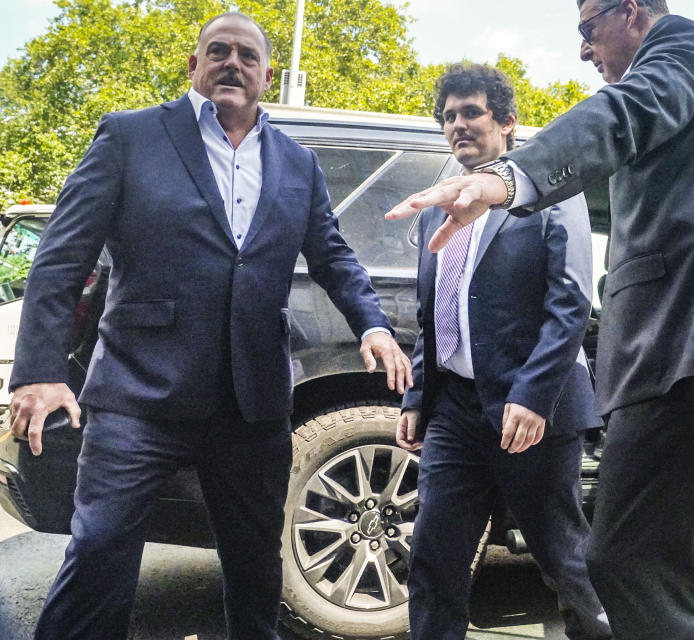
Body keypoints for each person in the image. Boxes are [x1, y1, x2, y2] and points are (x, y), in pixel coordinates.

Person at [8, 12, 411, 640]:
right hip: (137, 397)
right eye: (217, 51)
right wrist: (37, 371)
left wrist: (373, 325)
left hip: (250, 406)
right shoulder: (130, 136)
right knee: (98, 562)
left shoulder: (296, 163)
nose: (232, 63)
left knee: (255, 572)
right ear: (193, 66)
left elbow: (332, 255)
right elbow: (63, 256)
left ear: (267, 75)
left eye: (247, 56)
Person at [386, 1, 694, 638]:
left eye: (588, 31)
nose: (584, 51)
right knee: (670, 569)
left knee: (626, 562)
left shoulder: (682, 49)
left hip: (686, 349)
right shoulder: (689, 107)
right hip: (688, 352)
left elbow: (618, 118)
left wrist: (507, 178)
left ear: (631, 12)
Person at [395, 63, 612, 640]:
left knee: (565, 562)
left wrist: (533, 397)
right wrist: (419, 395)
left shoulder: (549, 194)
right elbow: (433, 314)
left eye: (472, 113)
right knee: (433, 559)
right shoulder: (441, 204)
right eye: (449, 117)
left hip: (533, 413)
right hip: (456, 415)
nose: (458, 125)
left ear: (507, 123)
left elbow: (570, 304)